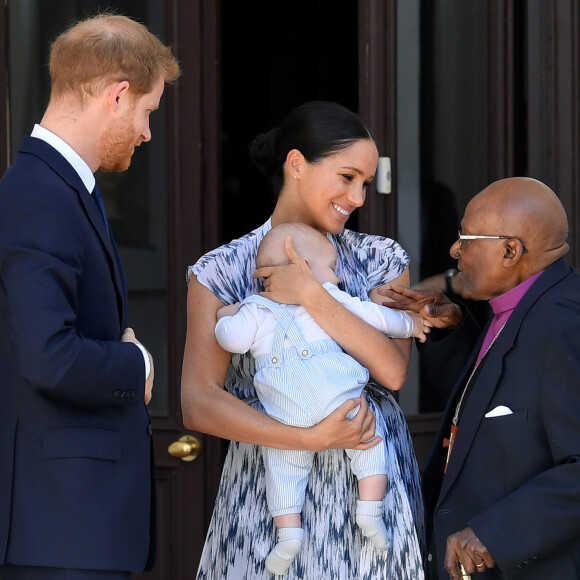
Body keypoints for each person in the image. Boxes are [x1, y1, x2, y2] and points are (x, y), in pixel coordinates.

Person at [182, 100, 426, 579]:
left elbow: (393, 372)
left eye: (364, 183)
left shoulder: (379, 259)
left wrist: (313, 296)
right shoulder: (222, 270)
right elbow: (198, 402)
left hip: (369, 487)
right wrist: (308, 439)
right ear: (296, 165)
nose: (358, 197)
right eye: (347, 177)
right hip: (269, 494)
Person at [0, 14, 179, 580]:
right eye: (147, 111)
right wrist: (136, 362)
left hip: (70, 528)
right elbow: (49, 356)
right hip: (59, 533)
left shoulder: (61, 187)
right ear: (117, 95)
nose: (148, 132)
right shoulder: (39, 195)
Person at [379, 177, 580, 579]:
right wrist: (453, 330)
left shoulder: (562, 322)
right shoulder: (518, 306)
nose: (455, 249)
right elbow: (503, 402)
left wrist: (494, 534)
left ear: (510, 250)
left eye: (466, 238)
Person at [215, 222, 431, 575]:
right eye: (331, 268)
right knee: (369, 445)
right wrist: (412, 326)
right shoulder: (335, 299)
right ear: (304, 267)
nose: (339, 278)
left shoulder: (254, 309)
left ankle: (288, 537)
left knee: (282, 474)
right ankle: (370, 510)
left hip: (285, 417)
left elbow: (232, 340)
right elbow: (379, 318)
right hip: (339, 401)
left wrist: (226, 316)